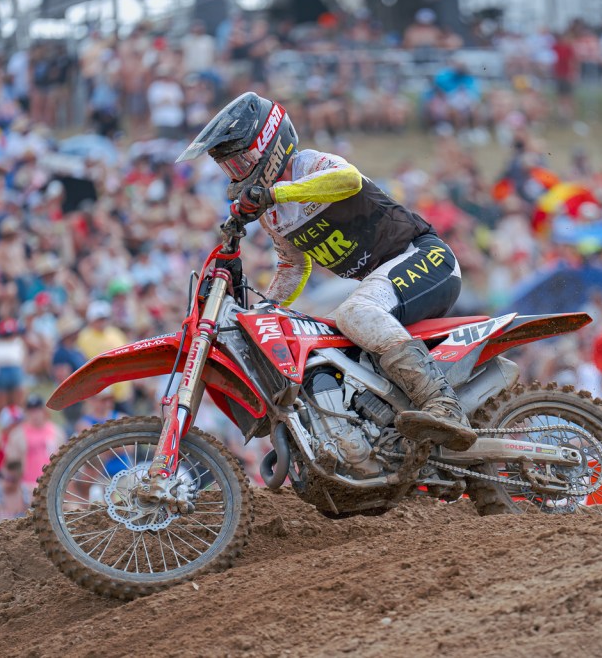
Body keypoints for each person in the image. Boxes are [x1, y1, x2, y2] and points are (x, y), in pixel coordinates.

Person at [176, 92, 476, 450]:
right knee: (325, 343)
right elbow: (294, 265)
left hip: (423, 258)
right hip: (386, 283)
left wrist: (277, 194)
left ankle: (444, 406)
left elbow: (347, 180)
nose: (237, 175)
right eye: (230, 169)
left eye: (241, 163)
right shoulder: (274, 215)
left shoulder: (308, 165)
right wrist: (265, 309)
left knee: (355, 313)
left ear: (267, 147)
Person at [5, 394, 66, 488]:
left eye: (37, 410)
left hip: (51, 484)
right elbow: (11, 462)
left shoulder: (57, 432)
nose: (35, 414)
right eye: (31, 411)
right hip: (26, 485)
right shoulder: (17, 434)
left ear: (43, 411)